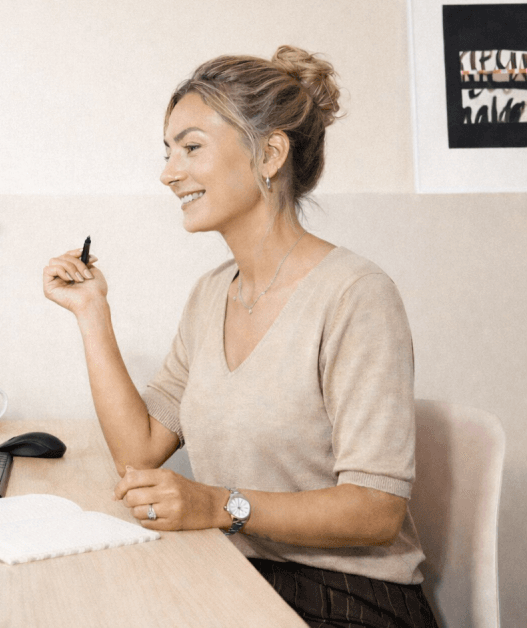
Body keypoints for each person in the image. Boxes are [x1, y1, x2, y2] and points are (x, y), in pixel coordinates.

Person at [43, 46, 438, 628]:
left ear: (270, 153)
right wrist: (91, 314)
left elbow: (376, 512)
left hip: (349, 597)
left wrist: (218, 504)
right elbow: (140, 450)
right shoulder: (210, 295)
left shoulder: (356, 295)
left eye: (191, 147)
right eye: (168, 151)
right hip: (239, 576)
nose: (168, 171)